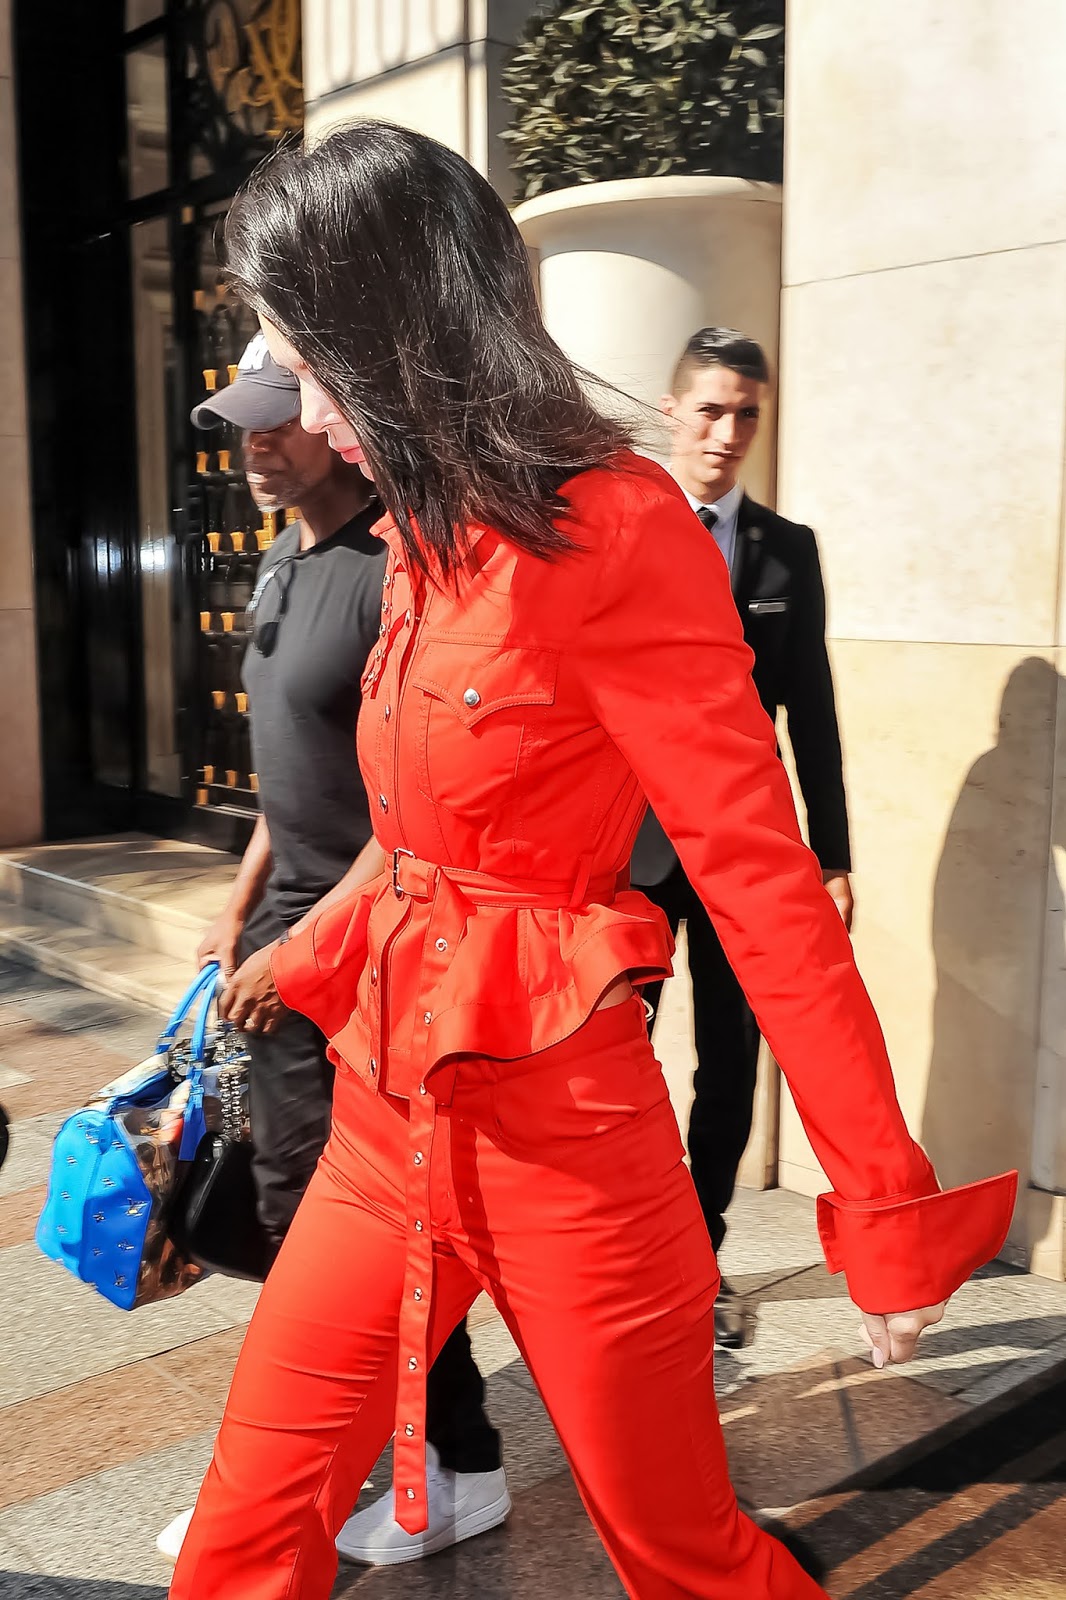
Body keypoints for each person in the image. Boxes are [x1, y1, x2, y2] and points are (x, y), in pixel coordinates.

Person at [169, 122, 1016, 1600]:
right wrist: (289, 954)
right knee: (242, 1536)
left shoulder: (619, 530)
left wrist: (881, 1204)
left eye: (307, 363)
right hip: (384, 1121)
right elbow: (421, 842)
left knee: (684, 1559)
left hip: (569, 1146)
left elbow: (758, 880)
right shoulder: (418, 540)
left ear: (395, 337)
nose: (299, 407)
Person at [157, 335, 507, 1568]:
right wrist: (238, 907)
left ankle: (443, 1465)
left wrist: (302, 944)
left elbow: (416, 805)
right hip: (284, 942)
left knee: (344, 1225)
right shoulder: (279, 564)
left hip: (358, 952)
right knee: (307, 1213)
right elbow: (286, 778)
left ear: (333, 422)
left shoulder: (387, 572)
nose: (254, 442)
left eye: (277, 417)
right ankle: (375, 1454)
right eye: (242, 423)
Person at [633, 327, 853, 1350]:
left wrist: (832, 856)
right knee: (612, 1058)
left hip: (744, 856)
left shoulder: (785, 548)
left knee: (730, 1063)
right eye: (711, 409)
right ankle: (622, 1248)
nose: (727, 432)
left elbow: (812, 708)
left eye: (747, 414)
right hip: (630, 851)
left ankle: (699, 1252)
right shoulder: (623, 529)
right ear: (672, 410)